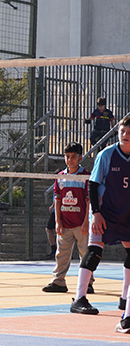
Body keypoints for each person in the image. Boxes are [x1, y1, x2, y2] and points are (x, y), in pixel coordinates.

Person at [70, 116, 130, 334]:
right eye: (122, 131)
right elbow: (93, 185)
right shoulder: (107, 155)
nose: (125, 135)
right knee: (95, 250)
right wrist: (95, 213)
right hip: (105, 212)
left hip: (127, 213)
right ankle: (79, 298)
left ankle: (125, 298)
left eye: (129, 132)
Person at [42, 142, 94, 294]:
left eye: (73, 156)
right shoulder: (60, 176)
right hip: (65, 224)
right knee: (61, 254)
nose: (70, 159)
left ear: (80, 158)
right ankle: (58, 281)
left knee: (85, 253)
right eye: (67, 156)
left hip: (81, 224)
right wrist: (58, 221)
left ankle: (87, 283)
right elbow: (57, 200)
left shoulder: (86, 176)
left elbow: (89, 201)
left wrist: (86, 222)